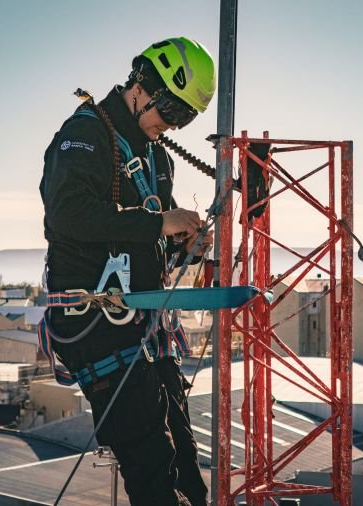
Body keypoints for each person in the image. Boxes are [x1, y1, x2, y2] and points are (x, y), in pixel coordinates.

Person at [39, 37, 215, 506]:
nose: (172, 125)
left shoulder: (158, 158)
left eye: (184, 120)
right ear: (143, 87)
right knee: (152, 468)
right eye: (171, 112)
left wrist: (185, 247)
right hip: (98, 329)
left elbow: (144, 244)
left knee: (185, 468)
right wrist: (161, 221)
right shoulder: (86, 136)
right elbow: (69, 215)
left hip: (143, 332)